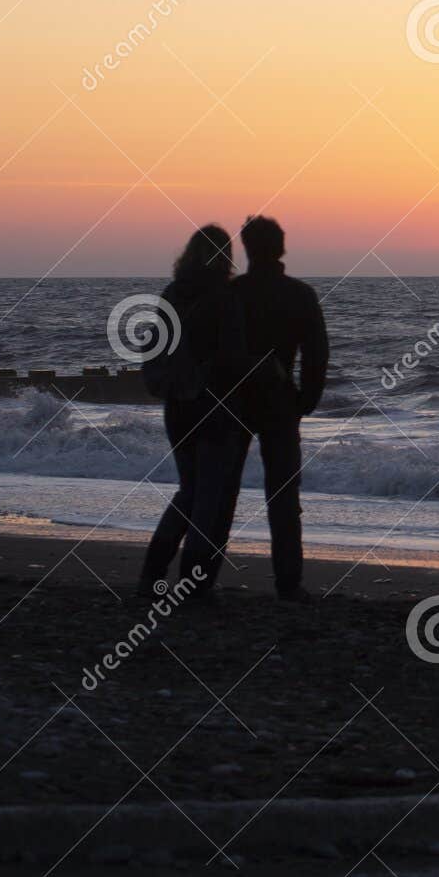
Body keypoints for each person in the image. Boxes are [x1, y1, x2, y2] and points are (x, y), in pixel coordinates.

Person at [225, 216, 329, 602]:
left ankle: (200, 577)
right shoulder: (298, 294)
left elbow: (215, 349)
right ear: (281, 248)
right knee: (284, 495)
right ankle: (288, 581)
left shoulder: (232, 294)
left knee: (223, 490)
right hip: (280, 401)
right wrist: (307, 397)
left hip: (233, 401)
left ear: (248, 249)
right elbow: (317, 352)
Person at [137, 225, 243, 602]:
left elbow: (153, 350)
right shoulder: (225, 298)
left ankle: (152, 572)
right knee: (207, 496)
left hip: (178, 407)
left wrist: (165, 383)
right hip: (212, 407)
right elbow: (233, 355)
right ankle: (192, 582)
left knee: (189, 490)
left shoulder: (172, 295)